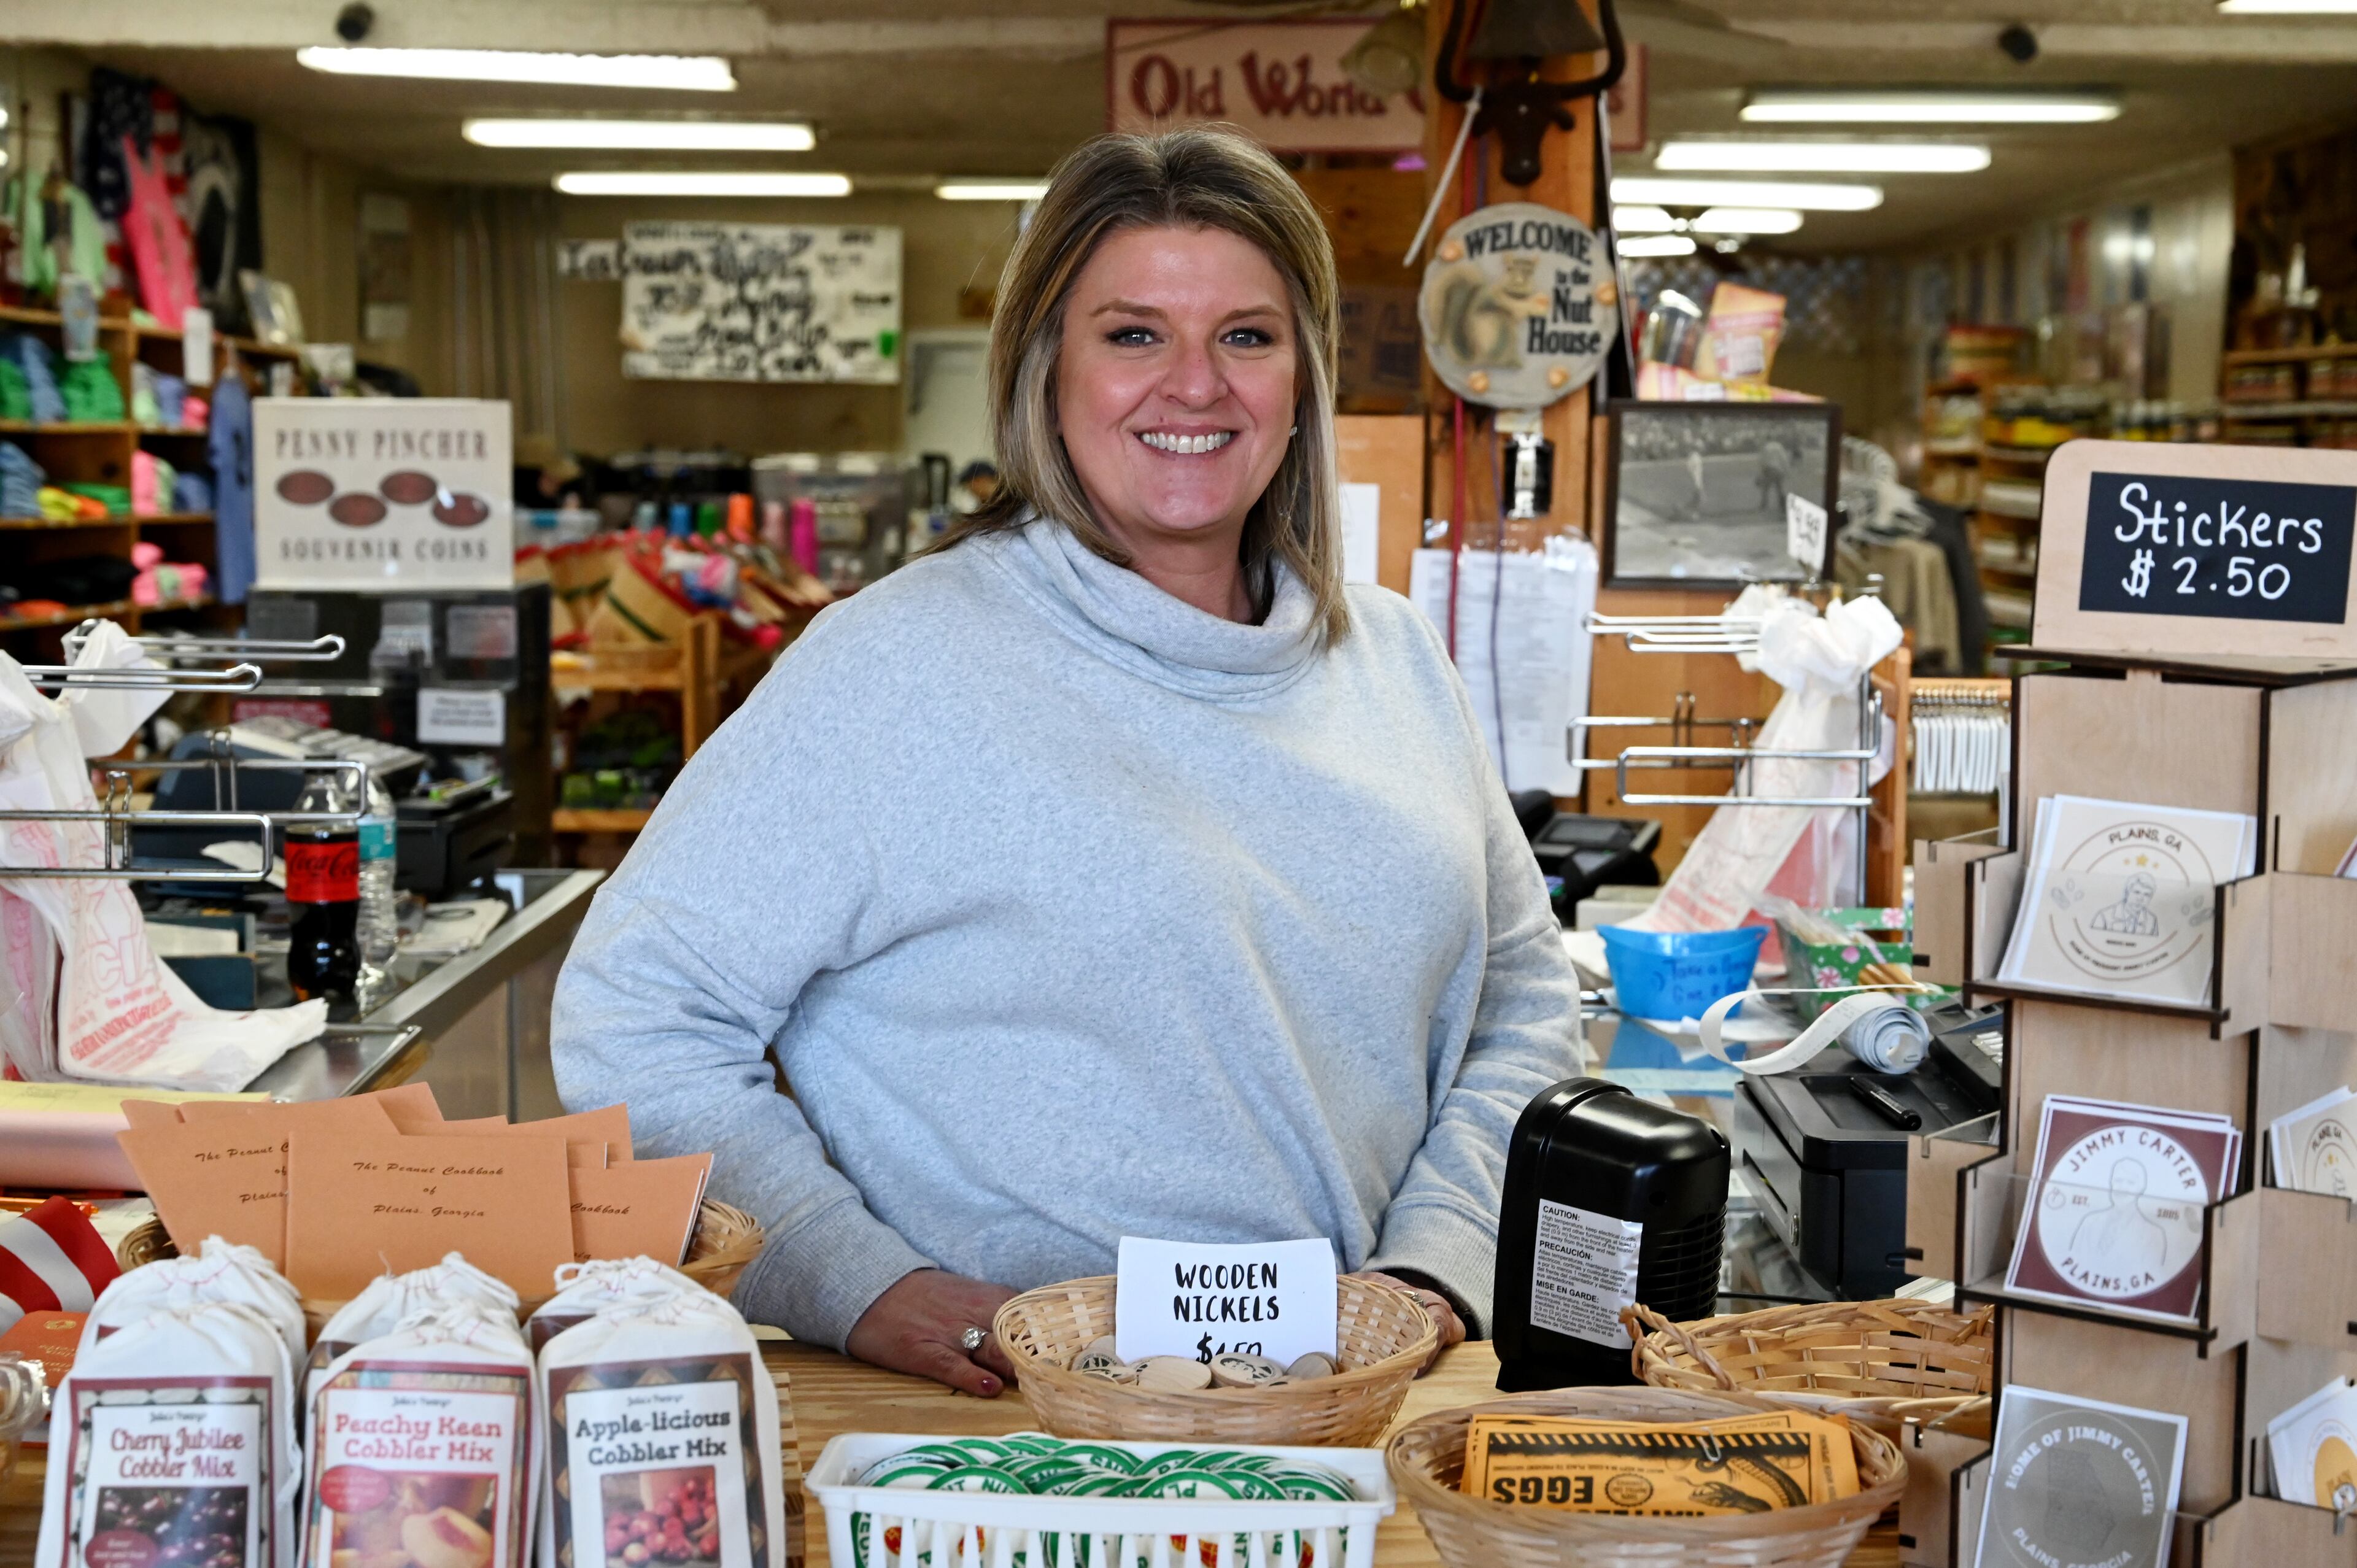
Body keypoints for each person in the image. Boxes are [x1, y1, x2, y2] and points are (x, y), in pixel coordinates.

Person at [549, 127, 1584, 1398]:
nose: (1194, 386)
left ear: (1305, 375)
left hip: (1348, 1410)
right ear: (1048, 367)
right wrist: (847, 1278)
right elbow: (636, 1016)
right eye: (1134, 334)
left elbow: (1524, 998)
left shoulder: (1396, 660)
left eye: (1247, 337)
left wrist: (1434, 1270)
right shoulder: (894, 666)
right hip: (1008, 1426)